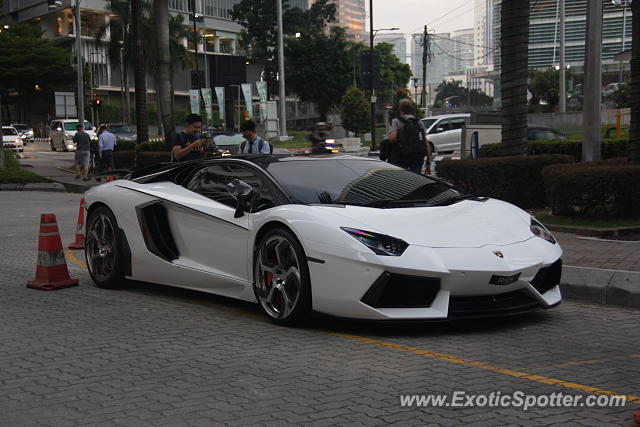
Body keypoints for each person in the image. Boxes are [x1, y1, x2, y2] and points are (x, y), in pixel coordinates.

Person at [388, 99, 433, 174]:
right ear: (411, 109)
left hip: (402, 156)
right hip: (417, 155)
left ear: (400, 109)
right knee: (416, 176)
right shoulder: (418, 121)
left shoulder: (396, 121)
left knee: (403, 177)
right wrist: (429, 157)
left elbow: (392, 138)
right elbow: (425, 141)